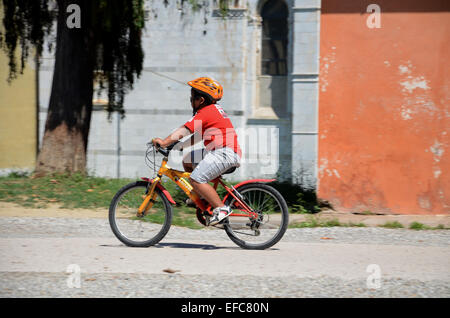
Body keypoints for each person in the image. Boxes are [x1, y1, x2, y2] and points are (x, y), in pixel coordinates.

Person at [152, 77, 242, 225]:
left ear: (200, 100)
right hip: (221, 151)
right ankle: (200, 199)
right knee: (188, 160)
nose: (190, 100)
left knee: (196, 179)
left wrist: (164, 142)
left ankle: (221, 208)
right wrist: (179, 146)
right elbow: (199, 135)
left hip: (224, 153)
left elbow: (185, 130)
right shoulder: (213, 110)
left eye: (192, 97)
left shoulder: (205, 112)